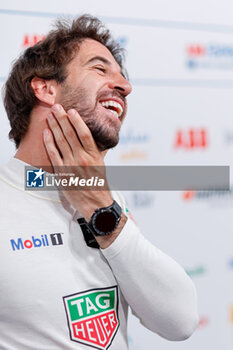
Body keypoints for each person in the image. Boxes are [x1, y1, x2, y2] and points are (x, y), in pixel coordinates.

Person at [0, 14, 198, 350]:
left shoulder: (104, 196)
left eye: (122, 75)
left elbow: (179, 321)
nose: (125, 86)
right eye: (99, 68)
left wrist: (102, 208)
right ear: (46, 88)